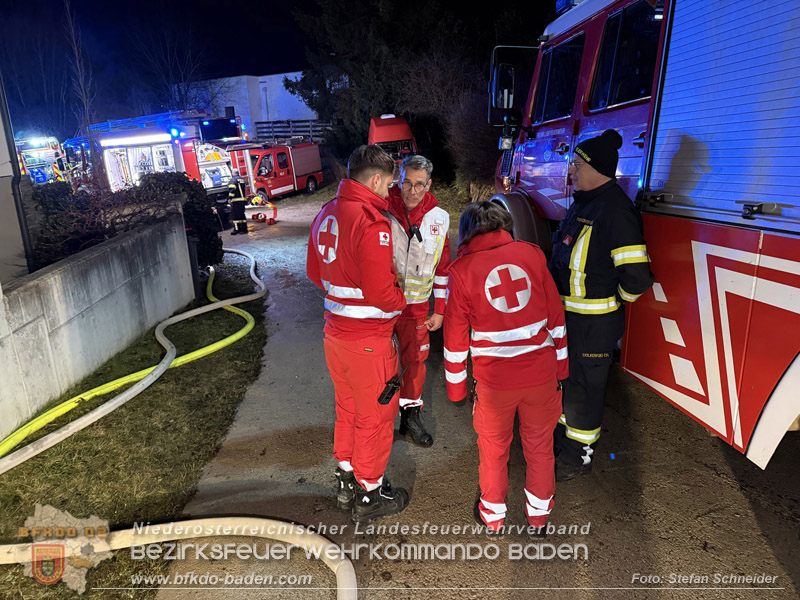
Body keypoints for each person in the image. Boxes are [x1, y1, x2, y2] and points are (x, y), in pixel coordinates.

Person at [444, 201, 568, 535]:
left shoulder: (462, 270)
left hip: (495, 383)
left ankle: (493, 517)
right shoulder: (532, 255)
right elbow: (556, 319)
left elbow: (455, 339)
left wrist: (456, 389)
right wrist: (561, 368)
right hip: (541, 375)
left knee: (494, 452)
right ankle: (539, 518)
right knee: (540, 449)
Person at [306, 145, 410, 522]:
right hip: (368, 341)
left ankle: (346, 480)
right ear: (377, 179)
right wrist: (404, 299)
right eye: (388, 186)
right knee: (376, 417)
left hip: (334, 335)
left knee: (347, 410)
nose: (388, 194)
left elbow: (315, 275)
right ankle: (370, 493)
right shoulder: (371, 222)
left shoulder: (325, 213)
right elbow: (383, 295)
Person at [550, 129, 654, 481]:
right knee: (567, 382)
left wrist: (612, 305)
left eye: (577, 164)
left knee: (585, 389)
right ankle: (564, 439)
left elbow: (637, 277)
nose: (572, 171)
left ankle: (577, 455)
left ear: (597, 169)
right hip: (571, 320)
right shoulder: (585, 203)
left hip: (594, 324)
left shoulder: (616, 212)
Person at [386, 155, 450, 448]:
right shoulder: (381, 208)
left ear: (429, 184)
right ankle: (380, 420)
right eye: (407, 183)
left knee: (414, 365)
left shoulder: (439, 219)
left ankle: (410, 419)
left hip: (418, 308)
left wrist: (440, 310)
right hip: (381, 306)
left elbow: (443, 268)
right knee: (380, 365)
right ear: (399, 180)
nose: (412, 191)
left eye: (419, 185)